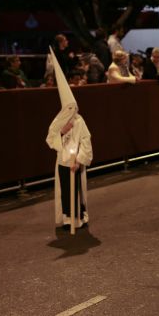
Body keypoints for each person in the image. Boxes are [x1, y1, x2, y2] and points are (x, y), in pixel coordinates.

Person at [46, 47, 93, 230]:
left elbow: (86, 140)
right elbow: (50, 139)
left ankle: (79, 219)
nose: (72, 112)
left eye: (74, 108)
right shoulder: (58, 122)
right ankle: (67, 219)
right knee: (66, 192)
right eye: (68, 109)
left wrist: (80, 160)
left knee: (77, 191)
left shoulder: (80, 121)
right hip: (63, 161)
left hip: (75, 163)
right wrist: (62, 133)